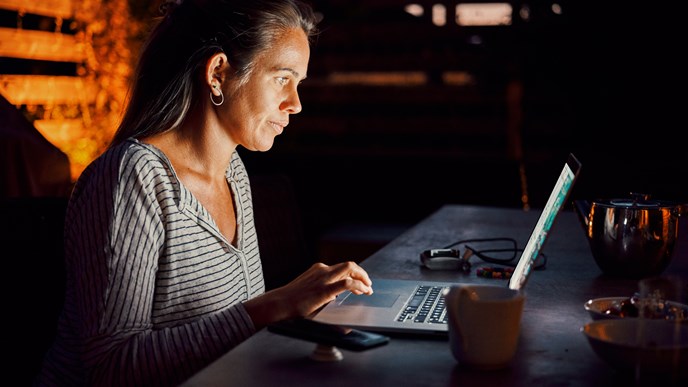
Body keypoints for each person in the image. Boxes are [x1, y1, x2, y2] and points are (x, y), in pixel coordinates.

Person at [35, 0, 373, 385]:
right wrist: (276, 305)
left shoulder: (233, 171)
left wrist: (306, 317)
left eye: (299, 84)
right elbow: (111, 367)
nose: (295, 103)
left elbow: (232, 334)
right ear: (218, 73)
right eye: (282, 78)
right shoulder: (132, 177)